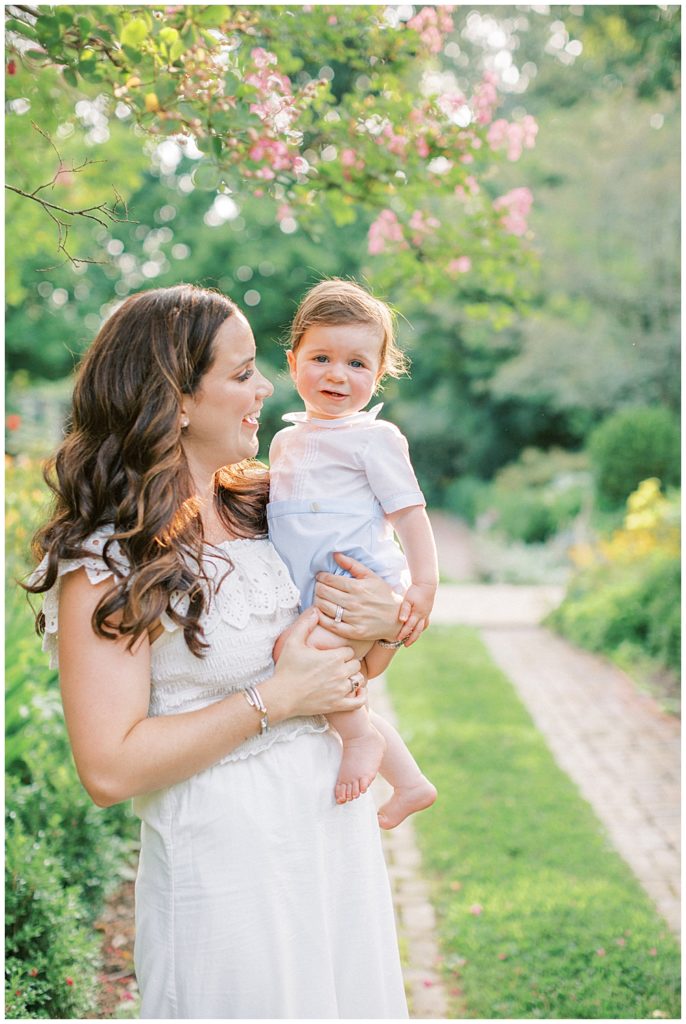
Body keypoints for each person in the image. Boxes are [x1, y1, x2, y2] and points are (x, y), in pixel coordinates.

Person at [25, 284, 410, 1019]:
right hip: (228, 866)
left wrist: (381, 625)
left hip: (330, 840)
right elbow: (107, 768)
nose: (267, 387)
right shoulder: (111, 558)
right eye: (240, 374)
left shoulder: (272, 506)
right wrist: (275, 700)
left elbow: (348, 673)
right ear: (174, 400)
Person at [268, 278, 438, 829]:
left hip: (354, 583)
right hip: (312, 593)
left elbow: (411, 514)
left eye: (357, 364)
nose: (338, 375)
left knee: (317, 664)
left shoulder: (376, 438)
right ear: (293, 362)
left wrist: (423, 585)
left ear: (381, 370)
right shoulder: (283, 441)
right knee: (329, 678)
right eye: (321, 358)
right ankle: (409, 783)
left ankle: (362, 739)